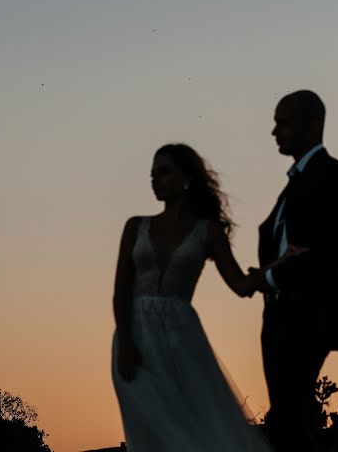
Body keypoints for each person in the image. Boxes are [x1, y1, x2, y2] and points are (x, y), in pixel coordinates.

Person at [111, 143, 299, 451]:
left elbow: (240, 285)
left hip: (182, 338)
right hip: (135, 337)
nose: (155, 180)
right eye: (152, 174)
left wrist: (280, 266)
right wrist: (127, 344)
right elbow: (120, 292)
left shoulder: (208, 232)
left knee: (195, 427)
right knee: (151, 431)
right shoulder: (136, 226)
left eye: (164, 171)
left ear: (187, 177)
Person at [248, 90, 338, 452]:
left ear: (312, 124)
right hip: (282, 313)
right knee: (288, 418)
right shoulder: (295, 184)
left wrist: (271, 276)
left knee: (288, 422)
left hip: (309, 314)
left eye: (283, 122)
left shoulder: (332, 176)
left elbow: (327, 252)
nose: (274, 132)